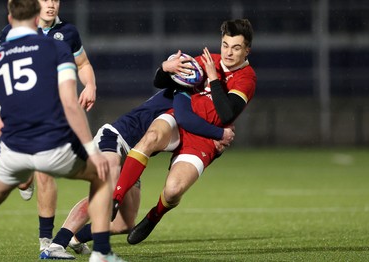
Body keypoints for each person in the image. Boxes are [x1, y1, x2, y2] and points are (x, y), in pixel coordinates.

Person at [39, 51, 236, 259]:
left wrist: (215, 143)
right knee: (106, 189)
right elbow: (185, 116)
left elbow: (193, 132)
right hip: (116, 138)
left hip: (135, 154)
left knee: (125, 224)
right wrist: (220, 134)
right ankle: (56, 244)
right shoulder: (181, 93)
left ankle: (76, 238)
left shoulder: (196, 99)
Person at [0, 0, 125, 261]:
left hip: (11, 150)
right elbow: (68, 102)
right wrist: (91, 150)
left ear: (10, 19)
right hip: (50, 143)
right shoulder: (55, 46)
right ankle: (101, 252)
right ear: (35, 18)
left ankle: (45, 238)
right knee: (102, 175)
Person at [111, 18, 256, 245]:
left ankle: (154, 215)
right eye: (225, 45)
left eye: (236, 48)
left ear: (247, 50)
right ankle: (115, 198)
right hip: (179, 121)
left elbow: (227, 114)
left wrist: (214, 77)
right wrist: (166, 68)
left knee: (173, 190)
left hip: (205, 138)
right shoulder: (208, 60)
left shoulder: (247, 79)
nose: (228, 52)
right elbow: (164, 81)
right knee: (151, 137)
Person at [0, 0, 97, 252]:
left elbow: (82, 64)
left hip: (53, 111)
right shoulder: (13, 30)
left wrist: (91, 85)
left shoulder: (68, 32)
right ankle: (24, 178)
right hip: (18, 106)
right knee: (30, 174)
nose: (51, 4)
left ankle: (48, 241)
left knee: (46, 171)